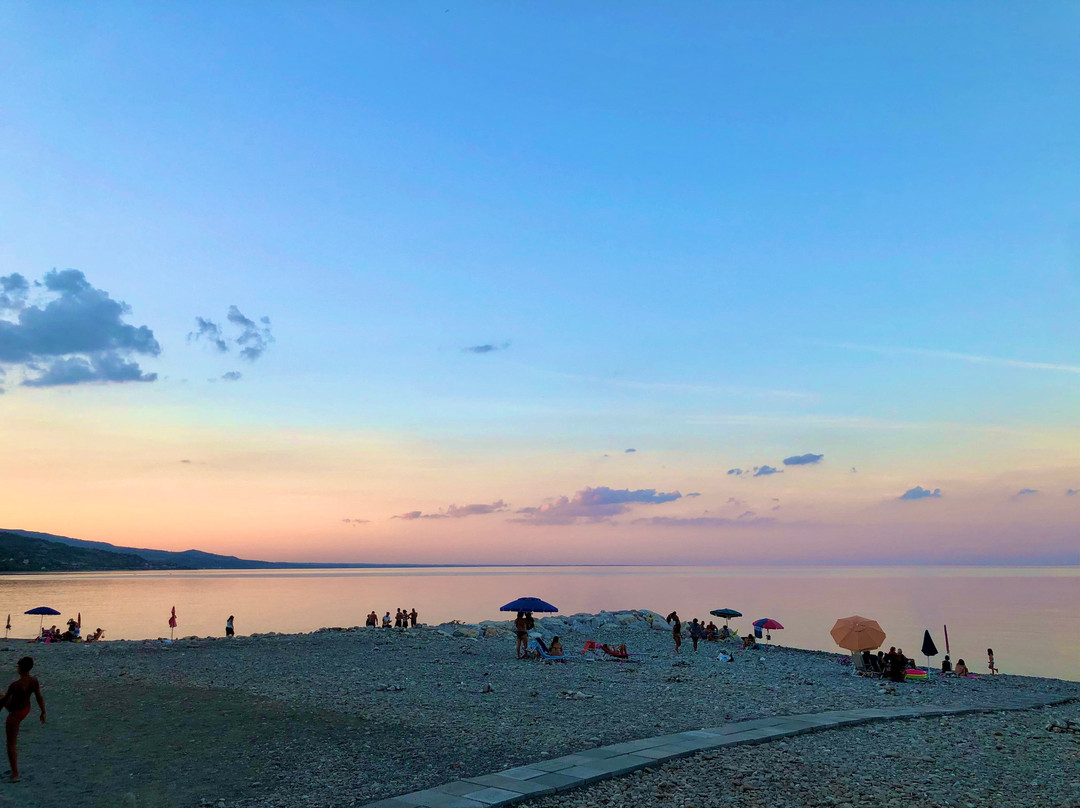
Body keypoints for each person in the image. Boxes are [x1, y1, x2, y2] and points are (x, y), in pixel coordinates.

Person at [0, 657, 45, 783]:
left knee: (11, 744)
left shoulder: (15, 685)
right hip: (25, 709)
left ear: (19, 669)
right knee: (0, 695)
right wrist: (43, 712)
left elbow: (4, 701)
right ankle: (14, 772)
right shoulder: (33, 681)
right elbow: (39, 697)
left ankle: (15, 774)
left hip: (16, 713)